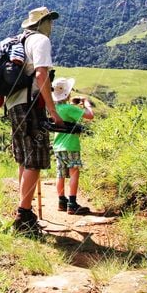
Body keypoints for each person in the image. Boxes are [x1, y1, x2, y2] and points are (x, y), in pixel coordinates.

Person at [6, 7, 64, 233]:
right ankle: (24, 216)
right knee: (35, 159)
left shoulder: (20, 40)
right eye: (50, 20)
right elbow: (41, 76)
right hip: (31, 106)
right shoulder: (40, 40)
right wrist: (53, 112)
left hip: (14, 104)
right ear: (42, 22)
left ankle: (24, 209)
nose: (52, 25)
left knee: (24, 158)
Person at [51, 77, 94, 215]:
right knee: (74, 172)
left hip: (58, 146)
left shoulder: (54, 108)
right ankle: (72, 203)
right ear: (67, 93)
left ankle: (61, 201)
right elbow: (89, 116)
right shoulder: (69, 108)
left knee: (60, 174)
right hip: (71, 145)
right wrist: (86, 103)